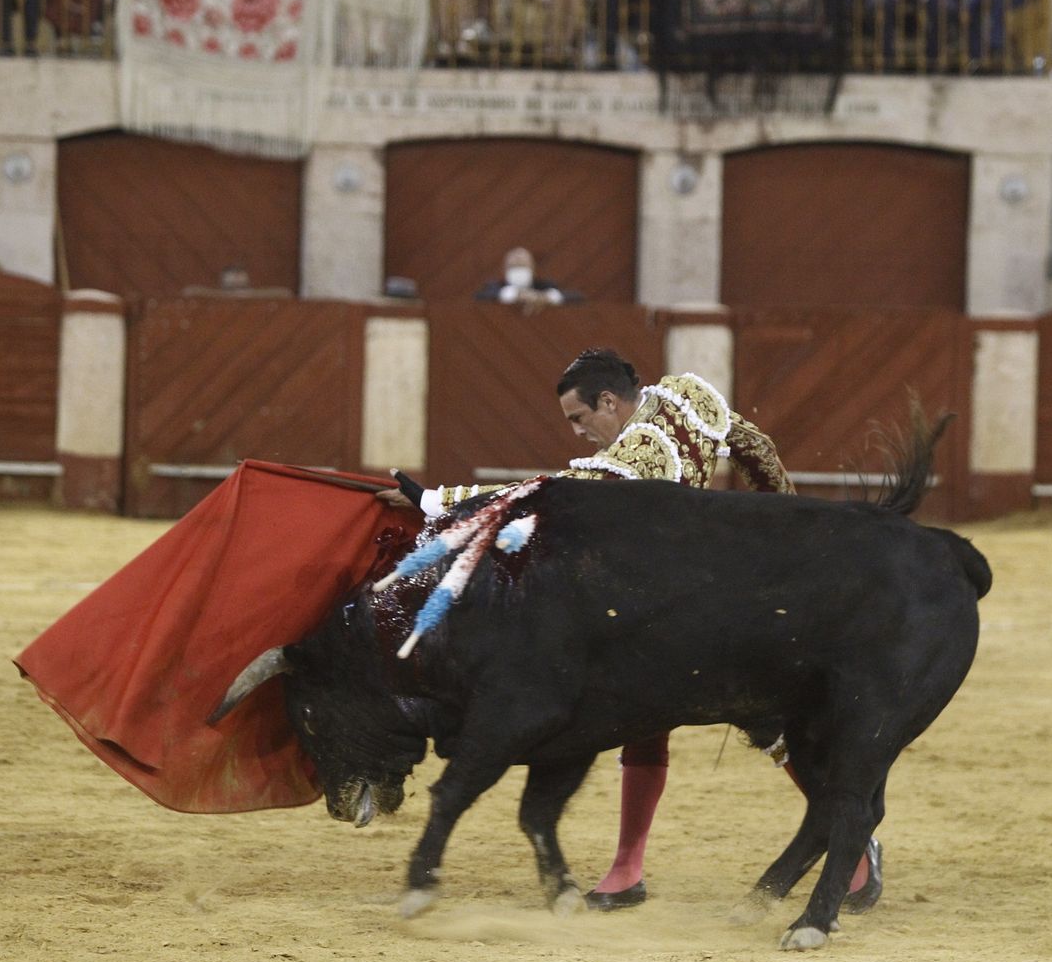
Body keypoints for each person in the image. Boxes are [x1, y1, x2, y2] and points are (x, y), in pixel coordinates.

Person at [378, 348, 884, 915]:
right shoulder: (692, 397)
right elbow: (759, 451)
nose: (578, 432)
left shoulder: (631, 458)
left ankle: (854, 841)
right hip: (674, 600)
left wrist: (432, 500)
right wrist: (783, 528)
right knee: (649, 724)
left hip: (682, 606)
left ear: (610, 402)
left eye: (579, 418)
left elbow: (550, 492)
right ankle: (627, 869)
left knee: (766, 720)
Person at [474, 247, 567, 308]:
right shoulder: (493, 286)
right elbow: (480, 296)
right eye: (513, 267)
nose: (518, 272)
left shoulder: (547, 285)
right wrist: (518, 294)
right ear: (504, 270)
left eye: (523, 266)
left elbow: (573, 296)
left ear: (533, 270)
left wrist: (542, 297)